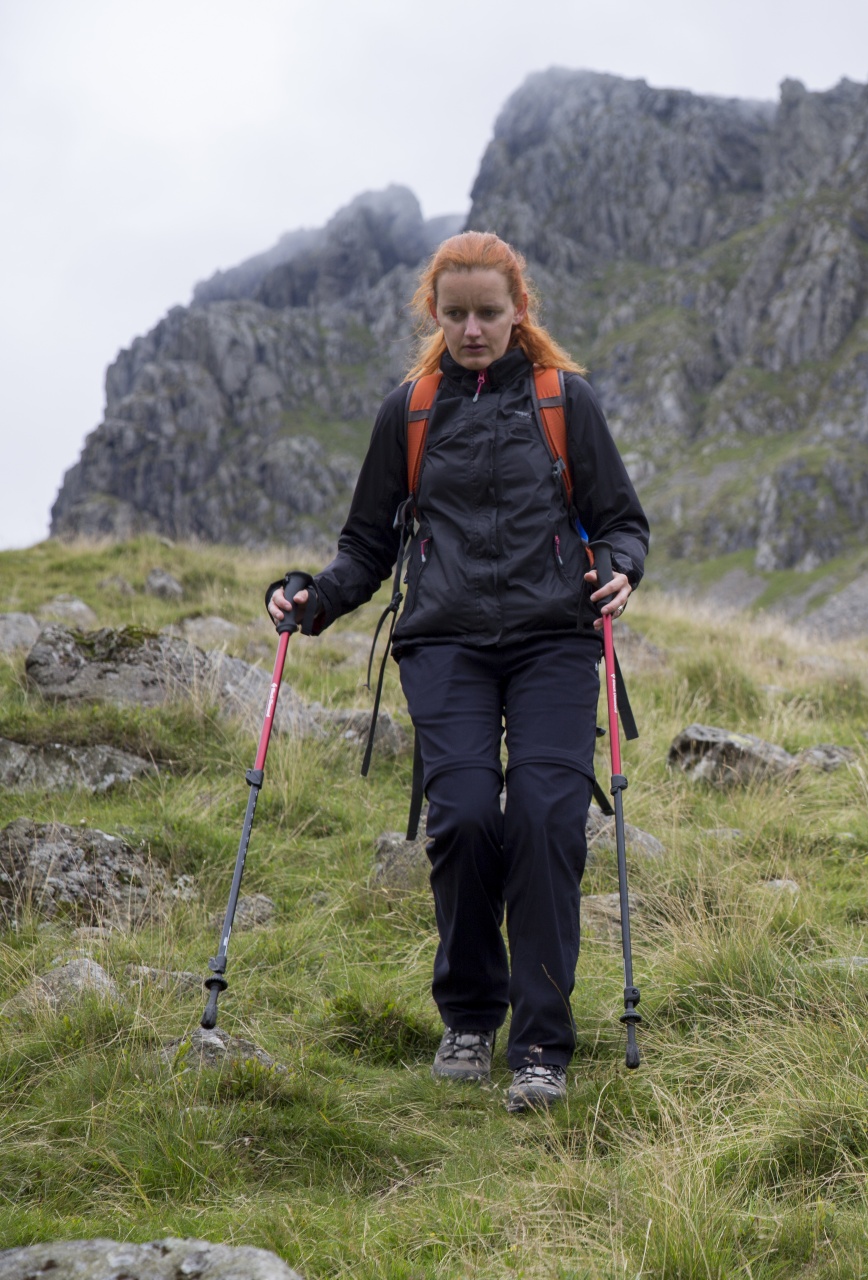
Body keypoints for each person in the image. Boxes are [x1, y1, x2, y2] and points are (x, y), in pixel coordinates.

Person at [268, 231, 651, 1112]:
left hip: (556, 641)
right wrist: (310, 601)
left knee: (550, 818)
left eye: (488, 312)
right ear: (432, 315)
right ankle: (471, 1018)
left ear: (520, 310)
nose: (473, 328)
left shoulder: (566, 401)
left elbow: (619, 519)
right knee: (470, 816)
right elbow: (366, 544)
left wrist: (623, 565)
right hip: (444, 648)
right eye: (456, 314)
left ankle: (542, 1047)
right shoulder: (409, 410)